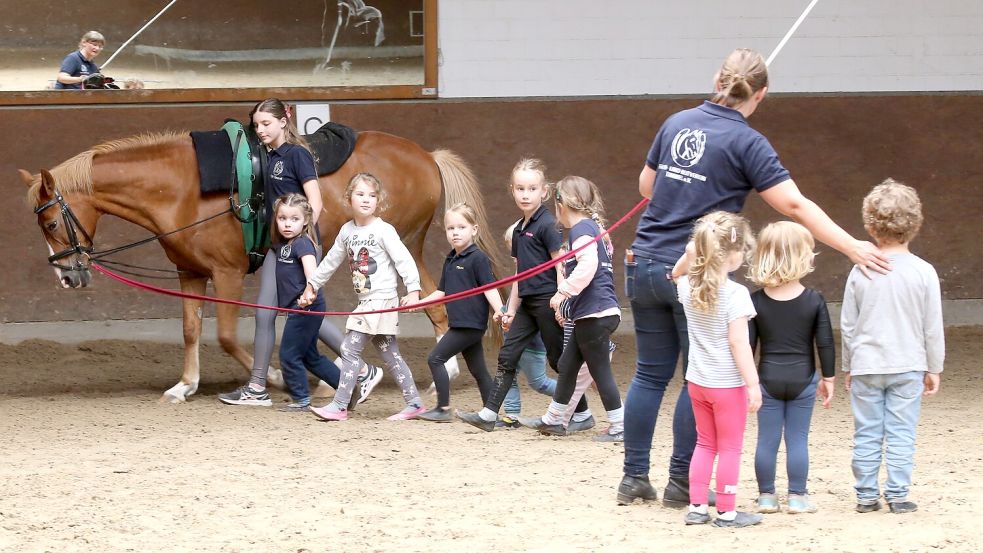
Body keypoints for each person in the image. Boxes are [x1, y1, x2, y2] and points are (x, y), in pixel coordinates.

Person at [619, 47, 890, 507]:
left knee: (648, 375)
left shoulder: (676, 121)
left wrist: (684, 183)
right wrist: (852, 245)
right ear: (760, 95)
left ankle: (633, 478)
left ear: (716, 78)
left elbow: (647, 187)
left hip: (644, 261)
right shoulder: (749, 143)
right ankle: (682, 483)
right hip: (695, 271)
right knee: (696, 377)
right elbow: (794, 205)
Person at [219, 99, 382, 407]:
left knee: (306, 313)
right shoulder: (267, 156)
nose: (261, 130)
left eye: (266, 123)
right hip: (276, 247)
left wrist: (302, 243)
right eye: (257, 125)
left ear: (284, 120)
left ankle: (360, 369)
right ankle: (257, 387)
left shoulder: (298, 155)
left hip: (299, 249)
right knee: (266, 313)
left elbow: (315, 202)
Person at [456, 159, 593, 432]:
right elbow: (519, 275)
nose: (525, 194)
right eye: (520, 188)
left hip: (546, 302)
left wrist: (561, 300)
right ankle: (488, 413)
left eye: (531, 188)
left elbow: (559, 264)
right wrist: (511, 308)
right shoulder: (519, 229)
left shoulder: (548, 225)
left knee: (557, 359)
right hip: (527, 305)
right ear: (512, 190)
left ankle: (583, 414)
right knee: (507, 356)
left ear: (544, 192)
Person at [842, 179, 944, 515]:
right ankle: (898, 495)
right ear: (915, 224)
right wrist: (934, 366)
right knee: (902, 431)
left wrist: (849, 365)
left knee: (867, 432)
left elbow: (849, 325)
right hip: (908, 365)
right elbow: (932, 325)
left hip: (868, 365)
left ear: (870, 226)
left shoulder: (861, 270)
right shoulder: (924, 272)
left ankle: (866, 495)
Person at [302, 172, 426, 421]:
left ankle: (339, 405)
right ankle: (414, 403)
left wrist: (413, 290)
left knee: (349, 348)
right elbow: (331, 261)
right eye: (360, 194)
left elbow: (404, 260)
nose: (366, 199)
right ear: (349, 198)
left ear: (378, 200)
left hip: (380, 300)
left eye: (372, 195)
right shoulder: (347, 231)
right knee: (390, 354)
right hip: (367, 301)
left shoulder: (384, 230)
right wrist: (312, 285)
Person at [516, 176, 624, 442]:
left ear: (560, 203)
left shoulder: (581, 231)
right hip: (593, 313)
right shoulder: (593, 228)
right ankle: (554, 420)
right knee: (568, 365)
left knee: (600, 370)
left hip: (594, 314)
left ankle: (620, 426)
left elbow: (588, 267)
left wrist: (563, 291)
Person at [673, 212, 762, 528]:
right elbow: (739, 343)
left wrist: (692, 251)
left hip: (697, 381)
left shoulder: (687, 286)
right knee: (729, 448)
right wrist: (753, 384)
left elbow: (677, 271)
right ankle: (726, 511)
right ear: (733, 254)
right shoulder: (736, 295)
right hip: (727, 385)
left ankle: (697, 507)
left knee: (704, 444)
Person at [746, 221, 835, 514]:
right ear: (802, 256)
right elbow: (825, 343)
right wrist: (829, 378)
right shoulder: (814, 300)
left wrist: (748, 383)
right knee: (798, 439)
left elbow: (749, 346)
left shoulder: (755, 300)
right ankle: (797, 496)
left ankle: (766, 497)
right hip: (804, 378)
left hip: (767, 378)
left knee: (766, 440)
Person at [412, 203, 504, 422]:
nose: (455, 232)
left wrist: (500, 310)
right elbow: (441, 292)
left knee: (435, 358)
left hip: (469, 325)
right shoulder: (451, 258)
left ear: (474, 230)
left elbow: (489, 287)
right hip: (460, 324)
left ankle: (443, 409)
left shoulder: (478, 258)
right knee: (479, 370)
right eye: (450, 228)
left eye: (461, 227)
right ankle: (491, 413)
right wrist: (419, 302)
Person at [265, 193, 341, 411]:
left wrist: (310, 292)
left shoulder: (303, 245)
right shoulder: (283, 245)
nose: (288, 224)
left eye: (294, 219)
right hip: (300, 308)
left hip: (306, 306)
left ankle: (301, 399)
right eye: (282, 218)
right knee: (310, 357)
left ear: (306, 220)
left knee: (289, 355)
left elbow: (312, 272)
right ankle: (347, 387)